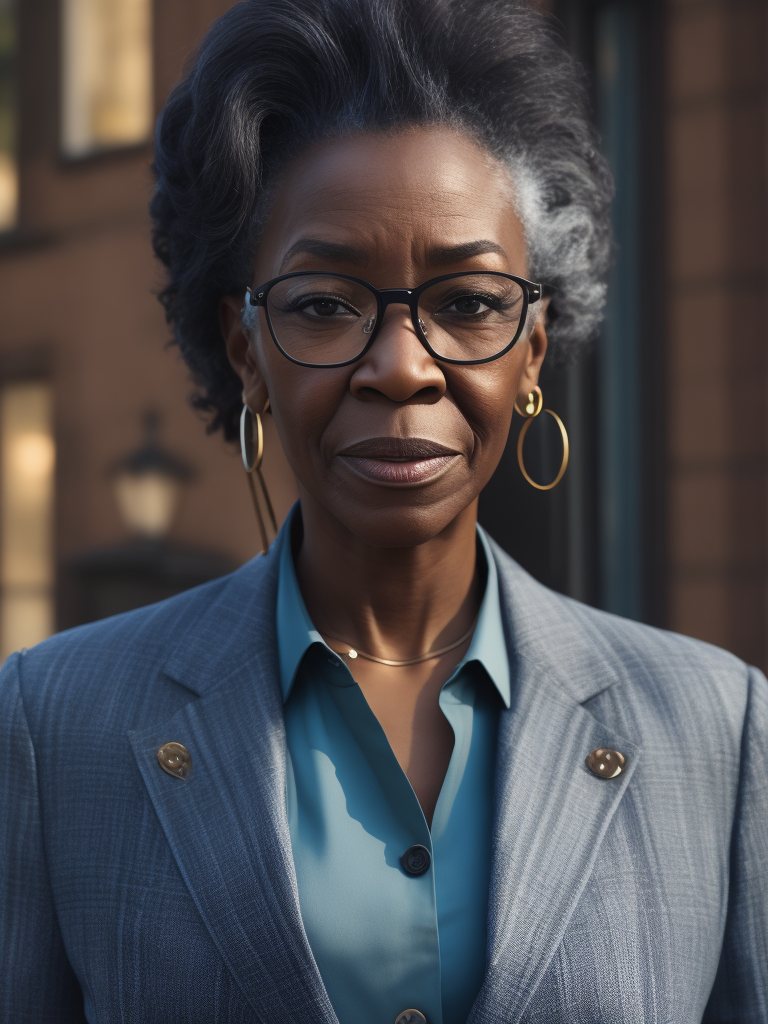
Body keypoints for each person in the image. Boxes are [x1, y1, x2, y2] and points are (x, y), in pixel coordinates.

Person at [2, 1, 766, 1021]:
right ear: (246, 350)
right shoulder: (57, 728)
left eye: (469, 303)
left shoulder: (716, 729)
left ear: (533, 350)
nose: (402, 368)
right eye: (325, 304)